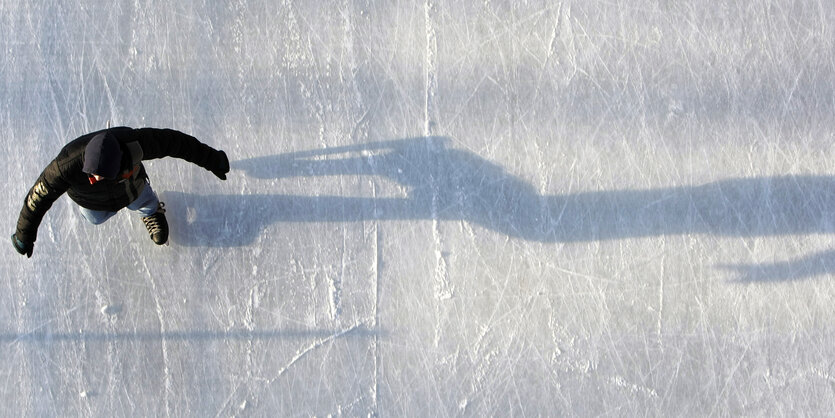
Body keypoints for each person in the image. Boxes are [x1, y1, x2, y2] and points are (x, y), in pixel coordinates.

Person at [11, 127, 230, 257]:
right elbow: (37, 198)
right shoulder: (64, 167)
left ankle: (151, 211)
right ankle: (113, 206)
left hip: (128, 188)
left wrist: (213, 160)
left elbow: (177, 144)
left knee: (140, 199)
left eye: (101, 174)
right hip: (91, 201)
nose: (94, 178)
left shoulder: (135, 143)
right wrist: (25, 234)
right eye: (91, 173)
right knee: (94, 218)